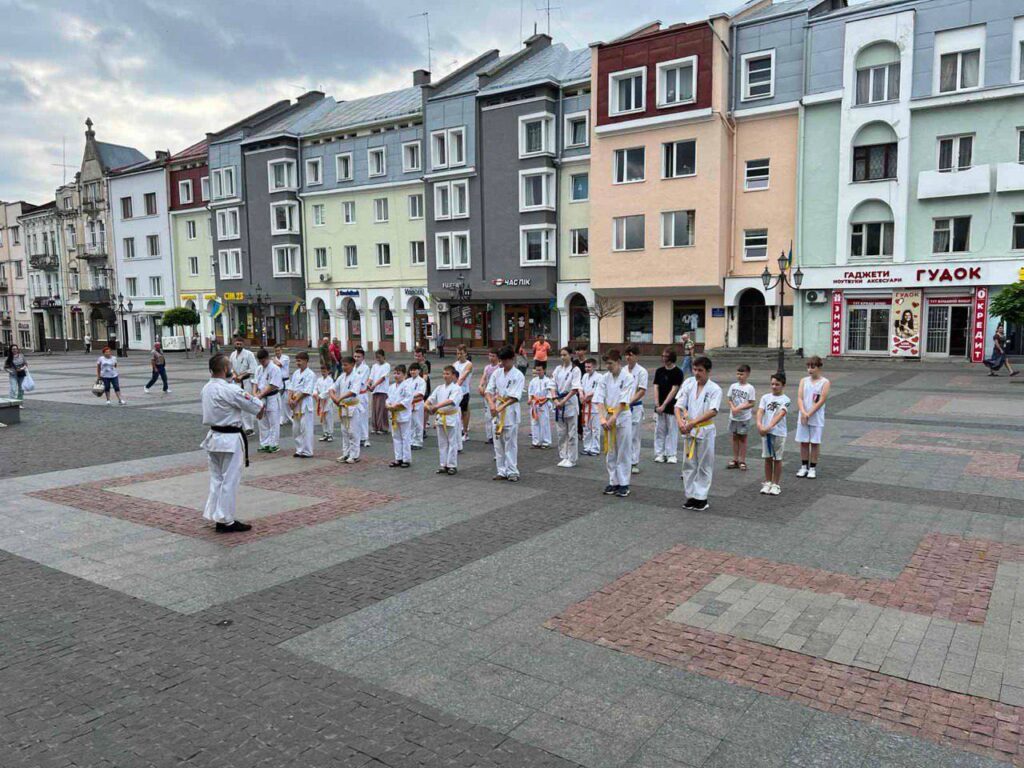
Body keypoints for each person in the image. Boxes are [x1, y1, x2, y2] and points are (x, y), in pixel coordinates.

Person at [200, 353, 265, 533]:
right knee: (229, 480)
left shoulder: (206, 388)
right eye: (230, 365)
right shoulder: (231, 389)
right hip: (230, 439)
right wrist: (259, 410)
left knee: (217, 479)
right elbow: (257, 406)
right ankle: (225, 520)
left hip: (213, 437)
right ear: (225, 369)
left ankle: (215, 513)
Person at [676, 356, 722, 512]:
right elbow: (678, 405)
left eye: (700, 370)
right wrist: (680, 422)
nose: (696, 373)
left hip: (705, 429)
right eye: (694, 369)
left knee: (704, 464)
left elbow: (713, 411)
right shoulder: (689, 385)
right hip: (689, 429)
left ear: (708, 371)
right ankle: (691, 496)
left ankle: (701, 498)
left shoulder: (715, 389)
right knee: (688, 464)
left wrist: (692, 423)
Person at [594, 349, 635, 497]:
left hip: (622, 416)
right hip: (608, 415)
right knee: (610, 451)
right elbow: (599, 398)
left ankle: (624, 483)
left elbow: (624, 401)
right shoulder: (604, 378)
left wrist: (613, 417)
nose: (608, 366)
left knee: (623, 450)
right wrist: (602, 418)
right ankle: (613, 481)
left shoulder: (628, 377)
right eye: (606, 364)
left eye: (610, 363)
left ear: (618, 362)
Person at [485, 345, 525, 482]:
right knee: (498, 444)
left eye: (505, 360)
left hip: (510, 412)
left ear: (512, 359)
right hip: (496, 411)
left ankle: (512, 471)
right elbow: (488, 391)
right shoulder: (497, 373)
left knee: (510, 444)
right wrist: (492, 405)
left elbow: (515, 397)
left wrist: (500, 407)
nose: (502, 363)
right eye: (501, 360)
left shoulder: (518, 375)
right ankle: (501, 471)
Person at [796, 356, 831, 479]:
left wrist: (809, 413)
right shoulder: (803, 381)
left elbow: (821, 400)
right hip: (803, 416)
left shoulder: (825, 382)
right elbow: (800, 397)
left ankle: (812, 468)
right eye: (808, 367)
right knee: (804, 442)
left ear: (819, 367)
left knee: (815, 442)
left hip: (816, 417)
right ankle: (804, 466)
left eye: (813, 367)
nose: (810, 370)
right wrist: (803, 412)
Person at [757, 372, 790, 496]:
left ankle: (776, 484)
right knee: (767, 458)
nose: (774, 386)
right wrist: (759, 425)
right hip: (766, 432)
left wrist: (768, 427)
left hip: (778, 433)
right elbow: (760, 411)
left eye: (777, 384)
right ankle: (768, 482)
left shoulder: (785, 399)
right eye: (772, 384)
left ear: (783, 385)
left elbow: (780, 414)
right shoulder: (765, 397)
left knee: (777, 458)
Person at [425, 365, 462, 474]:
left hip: (451, 417)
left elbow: (451, 401)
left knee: (452, 442)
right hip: (440, 417)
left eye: (448, 374)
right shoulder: (439, 388)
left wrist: (436, 407)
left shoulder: (457, 388)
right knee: (442, 443)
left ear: (453, 375)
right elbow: (429, 400)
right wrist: (427, 407)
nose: (445, 376)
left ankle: (452, 465)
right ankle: (443, 465)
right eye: (444, 373)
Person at [552, 346, 582, 468]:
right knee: (561, 433)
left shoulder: (575, 370)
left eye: (565, 355)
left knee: (572, 433)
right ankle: (564, 456)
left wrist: (564, 401)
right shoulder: (558, 369)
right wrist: (555, 399)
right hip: (558, 402)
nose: (562, 357)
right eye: (561, 355)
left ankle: (572, 458)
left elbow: (575, 388)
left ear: (571, 355)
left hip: (570, 402)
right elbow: (552, 385)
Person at [653, 348, 684, 464]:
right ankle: (659, 453)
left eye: (666, 356)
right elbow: (656, 387)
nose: (663, 358)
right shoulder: (659, 371)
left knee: (672, 430)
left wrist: (664, 405)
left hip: (672, 406)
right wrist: (657, 404)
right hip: (659, 406)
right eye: (663, 356)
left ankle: (671, 454)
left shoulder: (678, 372)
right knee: (659, 430)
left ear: (671, 358)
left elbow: (674, 389)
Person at [330, 356, 363, 464]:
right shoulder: (342, 376)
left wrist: (340, 398)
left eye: (346, 365)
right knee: (344, 432)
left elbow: (353, 392)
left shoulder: (357, 377)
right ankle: (346, 454)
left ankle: (355, 455)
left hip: (352, 407)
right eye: (342, 365)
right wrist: (334, 398)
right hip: (343, 407)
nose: (343, 367)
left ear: (352, 365)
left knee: (353, 432)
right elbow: (332, 388)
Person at [726, 364, 756, 471]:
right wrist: (733, 407)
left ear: (747, 374)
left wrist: (740, 408)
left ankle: (742, 460)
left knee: (743, 438)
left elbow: (752, 403)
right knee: (734, 437)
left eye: (742, 374)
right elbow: (729, 399)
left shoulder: (750, 388)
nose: (739, 376)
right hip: (733, 417)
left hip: (744, 418)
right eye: (738, 374)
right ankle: (735, 459)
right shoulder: (733, 386)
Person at [254, 348, 283, 453]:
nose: (262, 363)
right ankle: (264, 444)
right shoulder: (258, 369)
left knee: (273, 422)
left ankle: (273, 444)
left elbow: (273, 385)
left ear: (268, 358)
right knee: (262, 422)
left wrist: (260, 395)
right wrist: (255, 394)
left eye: (263, 361)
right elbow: (255, 382)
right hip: (261, 397)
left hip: (272, 397)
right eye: (260, 361)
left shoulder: (275, 369)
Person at [287, 351, 316, 458]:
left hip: (305, 403)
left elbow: (307, 391)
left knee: (305, 428)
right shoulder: (296, 373)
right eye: (296, 361)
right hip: (296, 404)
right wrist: (289, 399)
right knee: (296, 428)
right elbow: (291, 387)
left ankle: (307, 451)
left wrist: (295, 400)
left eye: (299, 361)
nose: (297, 363)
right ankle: (299, 449)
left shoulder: (310, 374)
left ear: (306, 361)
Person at [625, 345, 648, 475]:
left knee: (634, 436)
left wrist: (630, 402)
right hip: (623, 407)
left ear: (636, 356)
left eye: (631, 355)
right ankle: (624, 460)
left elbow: (642, 390)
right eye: (626, 354)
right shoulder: (623, 370)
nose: (628, 357)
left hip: (635, 407)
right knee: (624, 435)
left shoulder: (642, 371)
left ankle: (634, 462)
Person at [385, 364, 414, 468]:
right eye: (395, 373)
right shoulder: (392, 387)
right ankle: (398, 458)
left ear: (404, 375)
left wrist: (396, 405)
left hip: (403, 413)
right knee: (396, 436)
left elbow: (408, 399)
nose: (396, 375)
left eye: (398, 373)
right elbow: (388, 399)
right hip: (393, 414)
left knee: (405, 437)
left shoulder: (407, 386)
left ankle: (406, 459)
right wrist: (388, 405)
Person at [229, 337, 258, 435]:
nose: (238, 346)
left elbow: (254, 369)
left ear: (243, 344)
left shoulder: (249, 354)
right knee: (237, 404)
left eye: (240, 344)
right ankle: (239, 425)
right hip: (236, 383)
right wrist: (234, 375)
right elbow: (231, 368)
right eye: (237, 344)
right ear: (234, 344)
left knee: (246, 404)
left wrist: (241, 376)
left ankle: (249, 428)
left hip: (246, 382)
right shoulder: (232, 355)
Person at [528, 361, 553, 449]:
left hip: (543, 403)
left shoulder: (548, 381)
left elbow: (550, 393)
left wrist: (544, 401)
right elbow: (530, 392)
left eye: (540, 370)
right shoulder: (533, 381)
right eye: (537, 370)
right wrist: (530, 399)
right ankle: (536, 442)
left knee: (544, 422)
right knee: (534, 422)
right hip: (534, 403)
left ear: (544, 370)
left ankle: (546, 442)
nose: (538, 372)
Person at [580, 358, 602, 456]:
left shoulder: (599, 377)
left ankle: (595, 449)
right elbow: (580, 387)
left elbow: (598, 390)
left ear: (594, 367)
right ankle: (587, 447)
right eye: (586, 367)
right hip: (585, 406)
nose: (587, 369)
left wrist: (588, 396)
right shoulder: (585, 376)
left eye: (589, 367)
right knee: (586, 428)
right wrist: (581, 394)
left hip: (595, 407)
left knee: (595, 429)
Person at [478, 349, 500, 444]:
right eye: (490, 356)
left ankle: (496, 434)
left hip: (497, 394)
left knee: (496, 415)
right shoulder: (487, 367)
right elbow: (484, 377)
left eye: (493, 356)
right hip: (488, 394)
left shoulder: (499, 367)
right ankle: (490, 436)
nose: (491, 358)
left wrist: (497, 395)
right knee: (488, 416)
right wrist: (480, 385)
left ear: (497, 357)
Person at [453, 344, 474, 440]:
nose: (459, 355)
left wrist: (456, 386)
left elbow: (463, 377)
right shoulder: (455, 364)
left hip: (464, 391)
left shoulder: (468, 364)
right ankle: (459, 428)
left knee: (464, 411)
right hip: (456, 391)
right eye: (457, 353)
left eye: (461, 353)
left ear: (465, 353)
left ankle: (465, 433)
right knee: (457, 411)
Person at [368, 349, 391, 434]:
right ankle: (375, 427)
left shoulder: (387, 365)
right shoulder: (374, 366)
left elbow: (383, 378)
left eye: (379, 357)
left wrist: (374, 385)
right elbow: (371, 377)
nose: (378, 359)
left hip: (383, 390)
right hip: (375, 390)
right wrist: (368, 384)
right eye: (376, 357)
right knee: (375, 409)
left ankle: (383, 427)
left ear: (383, 357)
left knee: (381, 409)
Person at [353, 348, 372, 446]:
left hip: (362, 394)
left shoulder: (365, 368)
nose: (356, 358)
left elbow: (360, 381)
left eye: (358, 357)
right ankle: (358, 437)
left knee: (363, 417)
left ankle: (365, 438)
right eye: (355, 356)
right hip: (354, 395)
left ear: (363, 357)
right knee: (356, 418)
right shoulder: (353, 367)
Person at [314, 363, 336, 443]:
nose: (323, 373)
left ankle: (330, 434)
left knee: (328, 418)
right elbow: (315, 388)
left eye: (324, 371)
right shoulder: (319, 380)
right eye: (322, 371)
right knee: (322, 417)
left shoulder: (330, 380)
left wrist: (320, 396)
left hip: (328, 401)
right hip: (321, 401)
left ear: (328, 371)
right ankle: (325, 433)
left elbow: (329, 390)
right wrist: (315, 394)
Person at [414, 346, 433, 435]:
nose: (417, 358)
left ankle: (424, 427)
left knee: (424, 406)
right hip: (415, 387)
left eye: (419, 356)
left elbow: (425, 376)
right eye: (416, 356)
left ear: (423, 356)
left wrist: (420, 383)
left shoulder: (425, 364)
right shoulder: (414, 365)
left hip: (424, 387)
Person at [408, 362, 427, 449]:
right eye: (411, 370)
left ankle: (418, 442)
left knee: (418, 423)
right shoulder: (407, 381)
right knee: (411, 423)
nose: (412, 372)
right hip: (409, 404)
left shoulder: (421, 381)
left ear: (419, 371)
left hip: (418, 403)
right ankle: (411, 441)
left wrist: (410, 397)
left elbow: (421, 393)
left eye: (414, 370)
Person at [274, 345, 291, 428]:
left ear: (281, 350)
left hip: (286, 381)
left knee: (287, 401)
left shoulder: (286, 358)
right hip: (278, 382)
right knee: (279, 401)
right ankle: (281, 418)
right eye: (276, 351)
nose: (277, 352)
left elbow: (279, 364)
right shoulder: (274, 359)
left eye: (278, 350)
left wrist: (274, 361)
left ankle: (289, 417)